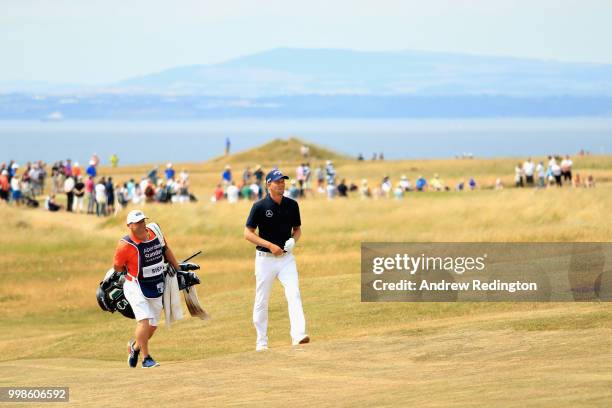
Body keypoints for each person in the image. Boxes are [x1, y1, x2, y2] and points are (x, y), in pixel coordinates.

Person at [244, 169, 309, 351]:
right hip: (265, 259)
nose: (281, 184)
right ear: (268, 185)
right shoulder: (259, 206)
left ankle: (298, 335)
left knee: (294, 294)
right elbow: (247, 234)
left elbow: (297, 229)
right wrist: (270, 245)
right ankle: (261, 341)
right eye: (277, 181)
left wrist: (292, 241)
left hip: (287, 259)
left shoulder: (292, 205)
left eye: (283, 181)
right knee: (262, 300)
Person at [113, 210, 181, 368]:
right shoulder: (125, 245)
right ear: (130, 226)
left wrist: (178, 270)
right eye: (138, 223)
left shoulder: (155, 231)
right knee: (143, 321)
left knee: (152, 326)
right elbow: (117, 267)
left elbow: (166, 250)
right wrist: (129, 271)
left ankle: (134, 347)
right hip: (135, 285)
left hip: (156, 284)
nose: (142, 225)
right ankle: (146, 359)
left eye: (143, 221)